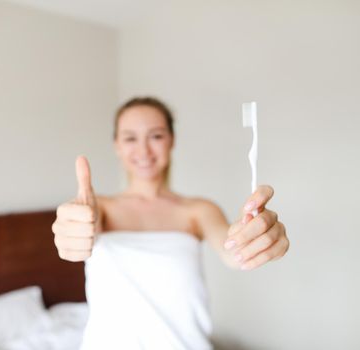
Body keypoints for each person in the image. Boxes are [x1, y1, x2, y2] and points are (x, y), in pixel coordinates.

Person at [51, 96, 289, 349]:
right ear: (117, 145)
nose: (143, 150)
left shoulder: (198, 210)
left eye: (156, 136)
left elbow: (233, 252)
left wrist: (254, 240)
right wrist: (70, 232)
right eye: (130, 138)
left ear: (171, 141)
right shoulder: (99, 209)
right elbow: (81, 227)